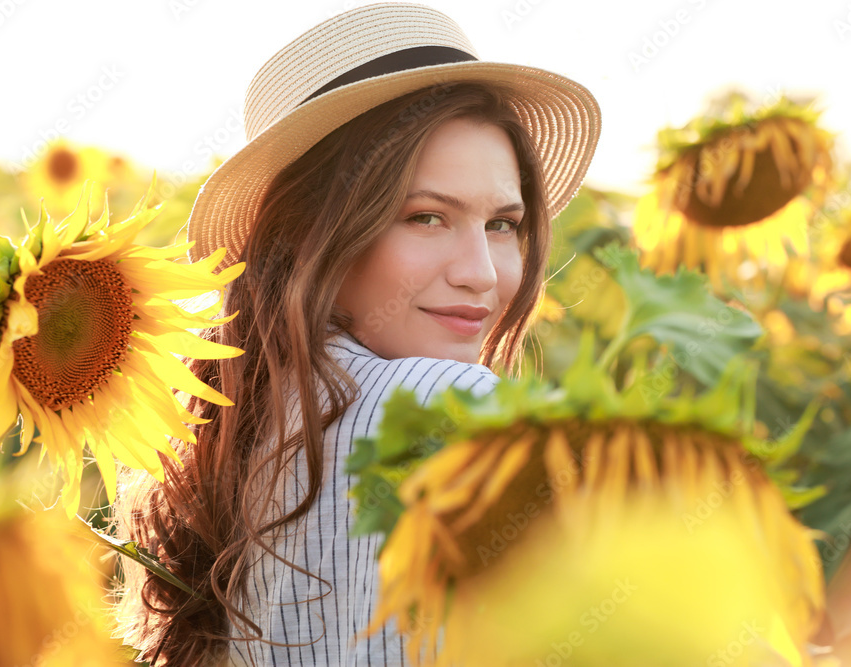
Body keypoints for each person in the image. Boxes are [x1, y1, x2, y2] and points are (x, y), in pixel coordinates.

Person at [112, 3, 600, 665]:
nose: (482, 274)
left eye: (502, 224)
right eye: (427, 218)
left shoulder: (242, 441)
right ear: (311, 236)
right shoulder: (448, 407)